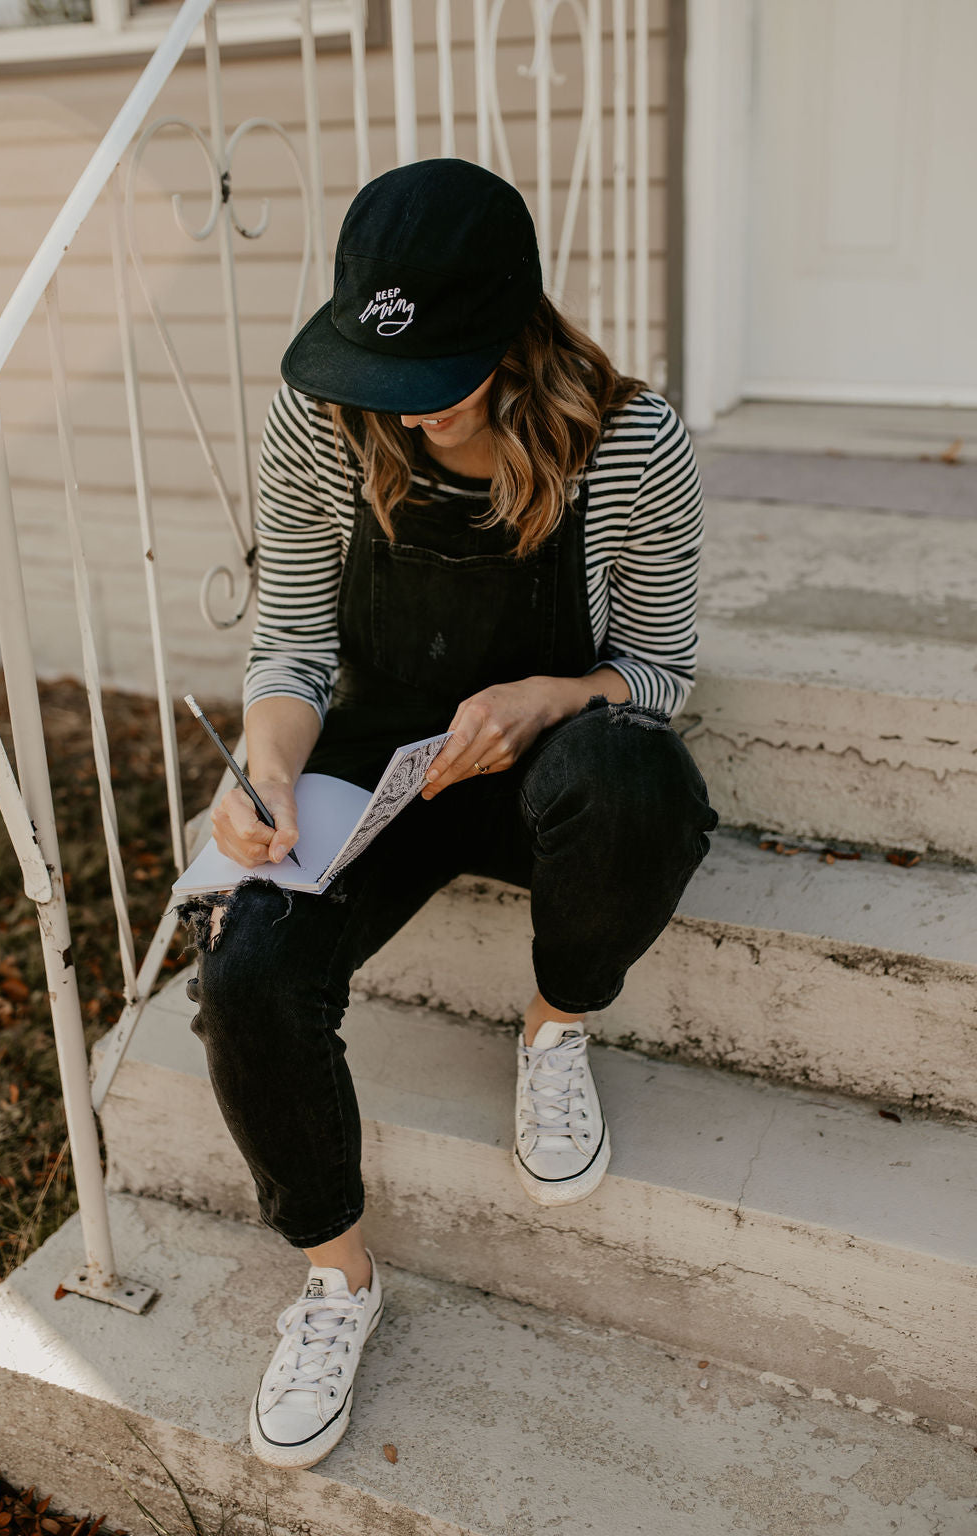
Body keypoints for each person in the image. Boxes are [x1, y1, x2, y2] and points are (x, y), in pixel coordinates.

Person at [182, 158, 717, 1471]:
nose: (406, 417)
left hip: (545, 755)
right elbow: (297, 647)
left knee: (640, 783)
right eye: (385, 383)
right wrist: (260, 766)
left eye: (438, 385)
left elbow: (656, 671)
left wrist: (549, 696)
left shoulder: (636, 444)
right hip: (381, 754)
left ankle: (552, 1029)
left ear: (512, 332)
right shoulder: (321, 421)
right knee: (246, 966)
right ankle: (339, 1284)